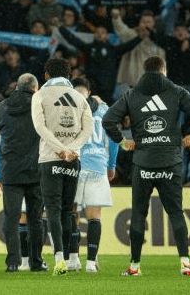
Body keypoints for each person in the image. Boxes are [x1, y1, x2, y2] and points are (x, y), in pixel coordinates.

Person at [103, 56, 190, 277]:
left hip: (143, 163)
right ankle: (186, 265)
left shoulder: (131, 94)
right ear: (163, 70)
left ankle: (134, 266)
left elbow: (108, 120)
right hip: (170, 162)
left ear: (145, 70)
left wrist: (123, 141)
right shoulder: (177, 91)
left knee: (139, 214)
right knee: (176, 214)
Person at [31, 58, 94, 276]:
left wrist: (59, 147)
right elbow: (89, 128)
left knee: (53, 211)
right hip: (73, 159)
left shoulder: (39, 95)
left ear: (46, 75)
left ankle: (59, 259)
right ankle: (73, 257)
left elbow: (39, 126)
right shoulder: (79, 97)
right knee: (69, 211)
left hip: (50, 159)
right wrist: (71, 148)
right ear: (68, 75)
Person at [0, 73, 44, 273]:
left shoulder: (1, 108)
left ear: (17, 87)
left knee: (11, 218)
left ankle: (13, 262)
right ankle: (36, 262)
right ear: (34, 88)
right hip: (35, 169)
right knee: (36, 219)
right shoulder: (40, 106)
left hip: (11, 171)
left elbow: (1, 131)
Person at [67, 77, 119, 273]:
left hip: (76, 166)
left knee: (72, 213)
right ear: (88, 91)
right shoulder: (105, 110)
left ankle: (73, 259)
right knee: (94, 217)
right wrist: (111, 164)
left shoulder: (70, 109)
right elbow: (114, 139)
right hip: (98, 165)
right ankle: (91, 262)